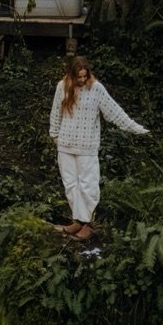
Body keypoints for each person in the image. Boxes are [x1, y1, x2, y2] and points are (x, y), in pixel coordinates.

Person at [48, 54, 148, 240]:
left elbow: (114, 112)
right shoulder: (62, 87)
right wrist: (54, 135)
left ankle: (88, 225)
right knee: (70, 186)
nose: (82, 79)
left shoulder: (96, 89)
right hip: (65, 145)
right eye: (79, 76)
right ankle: (78, 221)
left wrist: (135, 128)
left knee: (88, 186)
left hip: (87, 147)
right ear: (71, 74)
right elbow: (56, 112)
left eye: (85, 76)